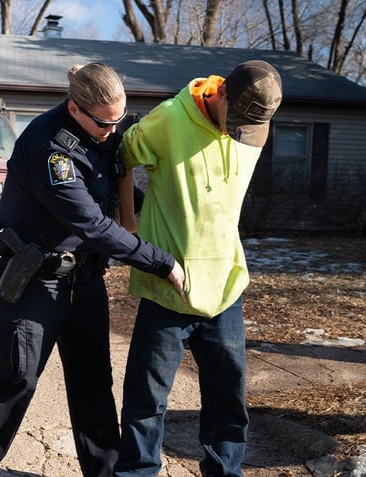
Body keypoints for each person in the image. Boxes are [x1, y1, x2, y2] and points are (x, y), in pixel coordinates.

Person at [0, 63, 186, 477]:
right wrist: (160, 261)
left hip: (84, 281)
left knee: (94, 385)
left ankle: (104, 472)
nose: (114, 131)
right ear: (76, 109)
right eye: (105, 122)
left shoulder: (102, 136)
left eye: (120, 119)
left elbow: (118, 192)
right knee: (17, 384)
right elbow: (93, 225)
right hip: (31, 283)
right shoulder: (49, 148)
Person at [114, 60, 283, 477]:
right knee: (147, 399)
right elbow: (122, 156)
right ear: (221, 92)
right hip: (167, 288)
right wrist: (129, 225)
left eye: (252, 126)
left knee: (228, 397)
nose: (241, 131)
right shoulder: (170, 120)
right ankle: (137, 473)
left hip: (225, 288)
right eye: (238, 120)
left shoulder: (252, 126)